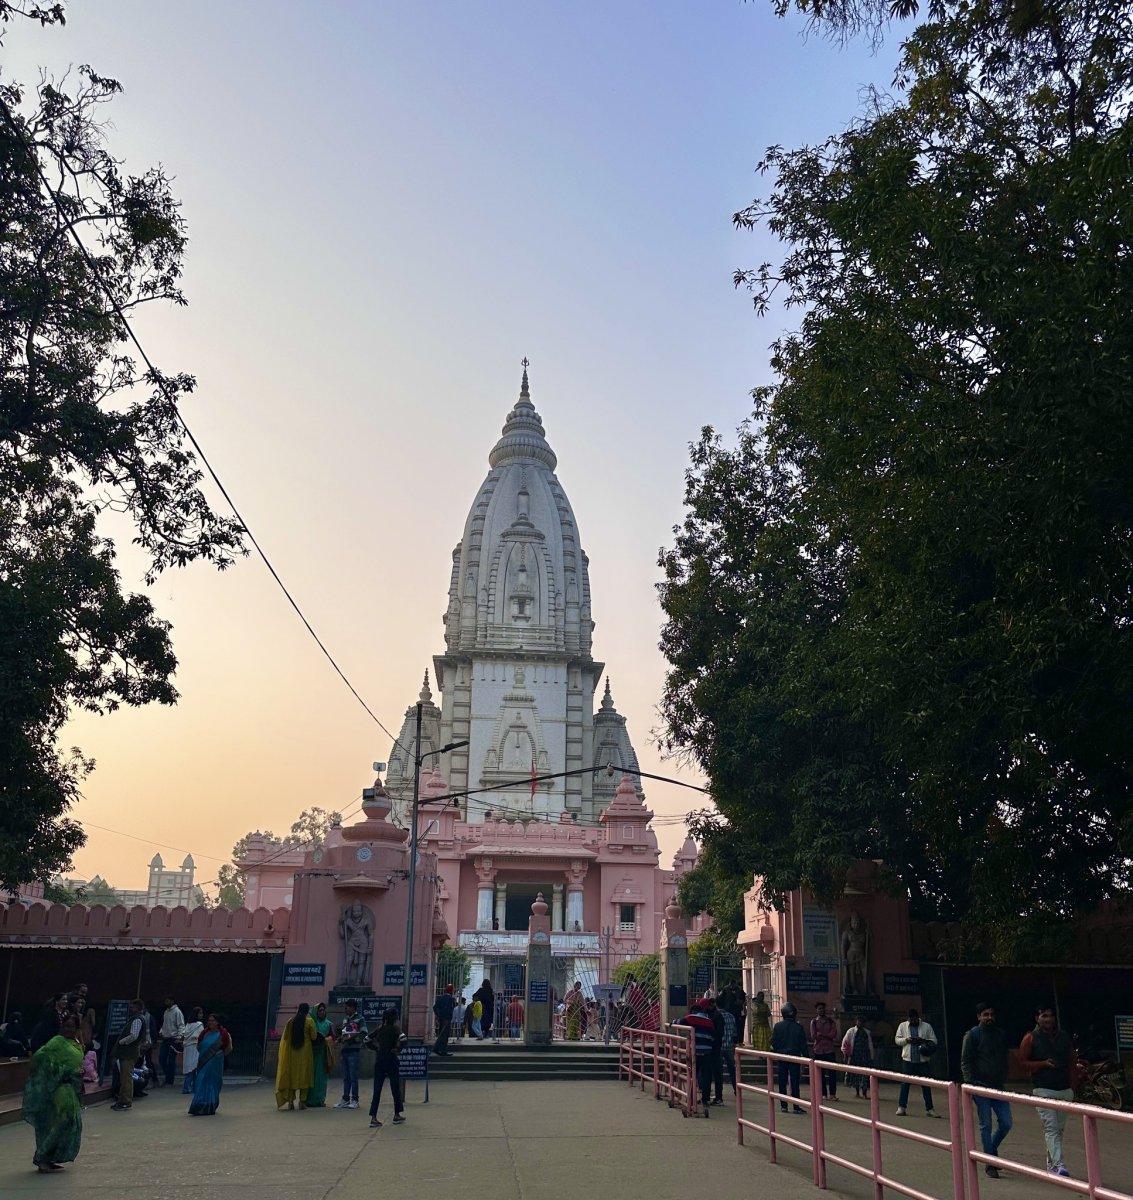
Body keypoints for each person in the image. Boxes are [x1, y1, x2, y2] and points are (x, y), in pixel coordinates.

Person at [22, 1012, 84, 1173]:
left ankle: (51, 1158)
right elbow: (39, 1058)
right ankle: (42, 1157)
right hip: (57, 1088)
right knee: (58, 1122)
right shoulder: (57, 1042)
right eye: (66, 1026)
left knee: (71, 1122)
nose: (69, 1029)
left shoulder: (75, 1042)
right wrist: (63, 1071)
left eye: (72, 1026)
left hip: (70, 1088)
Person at [1018, 1005, 1074, 1178]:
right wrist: (1042, 1064)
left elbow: (1072, 1061)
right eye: (1044, 1015)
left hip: (1064, 1089)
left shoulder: (1064, 1037)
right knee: (1051, 1128)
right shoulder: (1030, 1038)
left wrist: (1073, 1087)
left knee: (1059, 1129)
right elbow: (1022, 1063)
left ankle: (1051, 1162)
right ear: (1037, 1018)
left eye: (1050, 1016)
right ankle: (1059, 1165)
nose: (1048, 1019)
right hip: (1043, 1088)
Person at [961, 1001, 1013, 1178]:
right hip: (980, 1086)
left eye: (991, 1014)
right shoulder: (972, 1035)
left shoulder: (1000, 1035)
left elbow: (1005, 1057)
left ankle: (990, 1150)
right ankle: (990, 1163)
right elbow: (965, 1060)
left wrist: (1005, 1075)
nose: (989, 1017)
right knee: (986, 1124)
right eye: (985, 1014)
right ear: (978, 1017)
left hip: (998, 1086)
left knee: (1006, 1123)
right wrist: (970, 1083)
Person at [895, 1008, 941, 1117]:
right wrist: (906, 1040)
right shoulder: (902, 1026)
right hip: (908, 1060)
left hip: (922, 1061)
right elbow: (897, 1040)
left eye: (915, 1020)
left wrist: (923, 1041)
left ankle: (929, 1108)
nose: (913, 1022)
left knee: (926, 1085)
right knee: (905, 1085)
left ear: (918, 1018)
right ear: (908, 1019)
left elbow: (934, 1041)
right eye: (911, 1020)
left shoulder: (926, 1026)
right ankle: (902, 1107)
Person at [366, 1008, 406, 1127]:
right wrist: (398, 1049)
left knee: (377, 1090)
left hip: (380, 1059)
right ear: (394, 1018)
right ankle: (397, 1115)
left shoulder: (380, 1028)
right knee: (395, 1088)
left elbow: (366, 1039)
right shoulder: (395, 1028)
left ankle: (373, 1117)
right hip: (391, 1059)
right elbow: (403, 1039)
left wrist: (375, 1048)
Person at [677, 998, 717, 1117]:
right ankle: (705, 1099)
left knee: (692, 1075)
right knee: (706, 1076)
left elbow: (678, 1022)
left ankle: (692, 1098)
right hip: (707, 1052)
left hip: (695, 1051)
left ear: (693, 1011)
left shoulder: (691, 1018)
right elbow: (713, 1036)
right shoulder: (709, 1021)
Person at [188, 1013, 232, 1116]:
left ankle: (210, 1106)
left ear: (217, 1022)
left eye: (213, 1020)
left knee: (212, 1082)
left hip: (216, 1063)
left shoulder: (224, 1034)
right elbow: (199, 1046)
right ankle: (198, 1105)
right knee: (200, 1080)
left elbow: (228, 1048)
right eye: (209, 1020)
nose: (210, 1022)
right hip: (204, 1061)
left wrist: (218, 1055)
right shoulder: (204, 1033)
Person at [275, 1002, 317, 1110]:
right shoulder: (309, 1021)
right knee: (305, 1077)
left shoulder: (291, 1021)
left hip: (292, 1055)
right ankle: (302, 1102)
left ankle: (290, 1102)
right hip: (305, 1054)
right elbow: (314, 1037)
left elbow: (285, 1038)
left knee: (292, 1078)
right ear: (307, 1011)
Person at [111, 999, 149, 1111]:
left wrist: (121, 1042)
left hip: (128, 1051)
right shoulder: (136, 1019)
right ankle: (122, 1100)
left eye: (132, 1007)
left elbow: (133, 1036)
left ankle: (126, 1101)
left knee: (126, 1077)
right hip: (128, 1052)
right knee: (124, 1077)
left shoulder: (137, 1020)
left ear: (138, 1008)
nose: (130, 1009)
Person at [771, 1002, 808, 1114]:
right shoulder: (798, 1027)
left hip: (782, 1057)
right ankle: (796, 1106)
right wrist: (806, 1058)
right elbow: (803, 1044)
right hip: (794, 1057)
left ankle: (784, 1106)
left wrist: (778, 1050)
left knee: (782, 1081)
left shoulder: (778, 1026)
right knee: (794, 1082)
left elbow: (773, 1042)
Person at [334, 999, 367, 1109]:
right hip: (344, 1050)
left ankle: (355, 1100)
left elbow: (363, 1033)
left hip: (353, 1050)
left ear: (352, 1007)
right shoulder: (345, 1019)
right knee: (346, 1077)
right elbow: (344, 1033)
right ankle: (345, 1099)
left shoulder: (360, 1019)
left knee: (353, 1076)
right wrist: (339, 1039)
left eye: (346, 1007)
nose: (345, 1009)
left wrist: (353, 1039)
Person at [810, 1001, 840, 1101]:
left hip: (829, 1050)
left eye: (823, 1008)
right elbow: (814, 1036)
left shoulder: (831, 1021)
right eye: (819, 1009)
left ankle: (832, 1094)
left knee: (832, 1073)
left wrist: (822, 1035)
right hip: (818, 1050)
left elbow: (833, 1034)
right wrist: (825, 1036)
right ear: (816, 1010)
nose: (821, 1010)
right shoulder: (814, 1022)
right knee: (820, 1074)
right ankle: (823, 1094)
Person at [841, 1014, 875, 1099]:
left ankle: (864, 1093)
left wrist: (871, 1056)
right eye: (859, 1021)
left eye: (862, 1022)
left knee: (865, 1075)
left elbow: (870, 1045)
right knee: (855, 1075)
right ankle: (857, 1092)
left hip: (864, 1056)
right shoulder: (851, 1031)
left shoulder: (867, 1032)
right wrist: (845, 1054)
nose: (860, 1023)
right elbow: (845, 1043)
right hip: (854, 1056)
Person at [307, 1002, 335, 1107]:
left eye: (323, 1010)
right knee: (311, 1076)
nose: (322, 1012)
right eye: (320, 1010)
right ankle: (309, 1100)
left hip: (323, 1053)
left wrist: (326, 1039)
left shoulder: (329, 1024)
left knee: (321, 1078)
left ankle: (320, 1099)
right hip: (312, 1053)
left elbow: (333, 1037)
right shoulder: (311, 1023)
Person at [159, 995, 185, 1087]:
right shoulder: (166, 1011)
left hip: (173, 1039)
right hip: (165, 1039)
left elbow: (181, 1025)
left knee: (170, 1060)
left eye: (168, 1000)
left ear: (172, 1001)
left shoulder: (177, 1012)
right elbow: (164, 1024)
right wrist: (161, 1031)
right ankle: (167, 1077)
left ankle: (169, 1081)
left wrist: (179, 1037)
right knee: (162, 1059)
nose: (166, 1002)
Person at [181, 1007, 205, 1094]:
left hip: (187, 1047)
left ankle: (188, 1087)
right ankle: (192, 1087)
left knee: (190, 1068)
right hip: (195, 1047)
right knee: (195, 1067)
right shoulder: (199, 1025)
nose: (202, 1015)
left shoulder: (188, 1024)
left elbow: (183, 1035)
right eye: (200, 1013)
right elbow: (200, 1036)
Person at [719, 996, 738, 1099]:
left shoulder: (716, 1016)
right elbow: (735, 1033)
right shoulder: (731, 1016)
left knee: (719, 1070)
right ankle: (736, 1089)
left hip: (719, 1047)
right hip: (729, 1047)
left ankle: (719, 1094)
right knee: (732, 1070)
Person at [433, 984, 455, 1056]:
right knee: (445, 1035)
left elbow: (435, 1007)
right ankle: (441, 1050)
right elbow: (450, 1010)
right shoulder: (450, 999)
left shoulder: (440, 998)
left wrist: (439, 1014)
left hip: (441, 1019)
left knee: (441, 1034)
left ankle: (439, 1049)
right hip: (447, 1019)